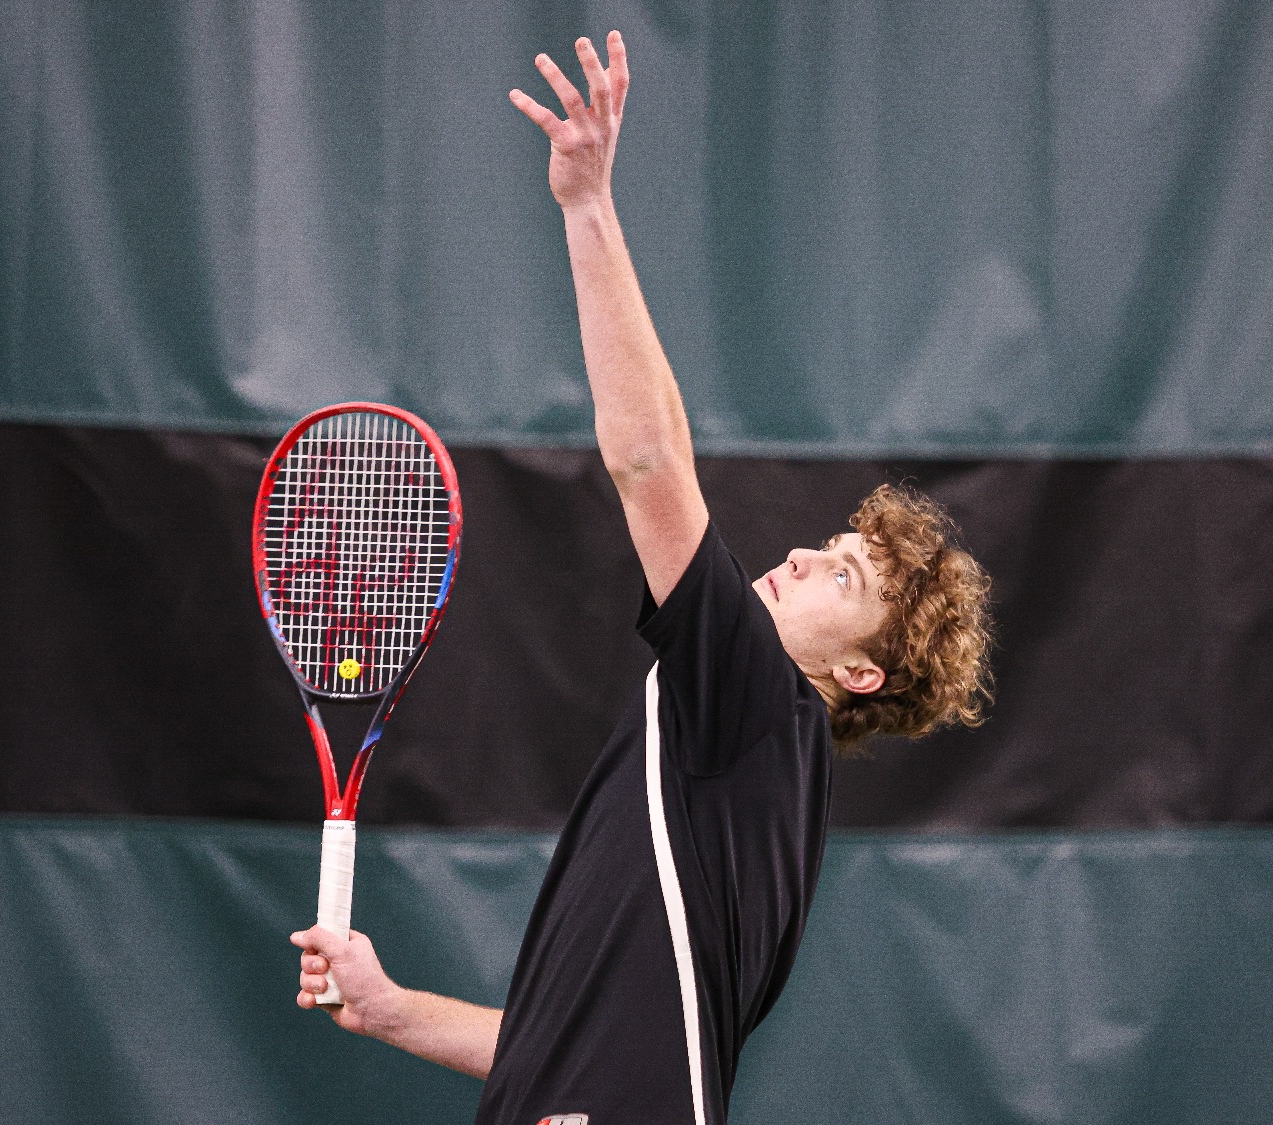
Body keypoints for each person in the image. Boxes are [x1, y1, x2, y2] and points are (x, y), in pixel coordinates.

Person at [289, 30, 994, 1124]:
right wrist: (390, 1011)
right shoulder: (746, 797)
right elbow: (563, 1046)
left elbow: (647, 456)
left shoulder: (758, 707)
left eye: (844, 579)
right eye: (830, 542)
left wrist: (585, 207)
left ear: (858, 676)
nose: (803, 555)